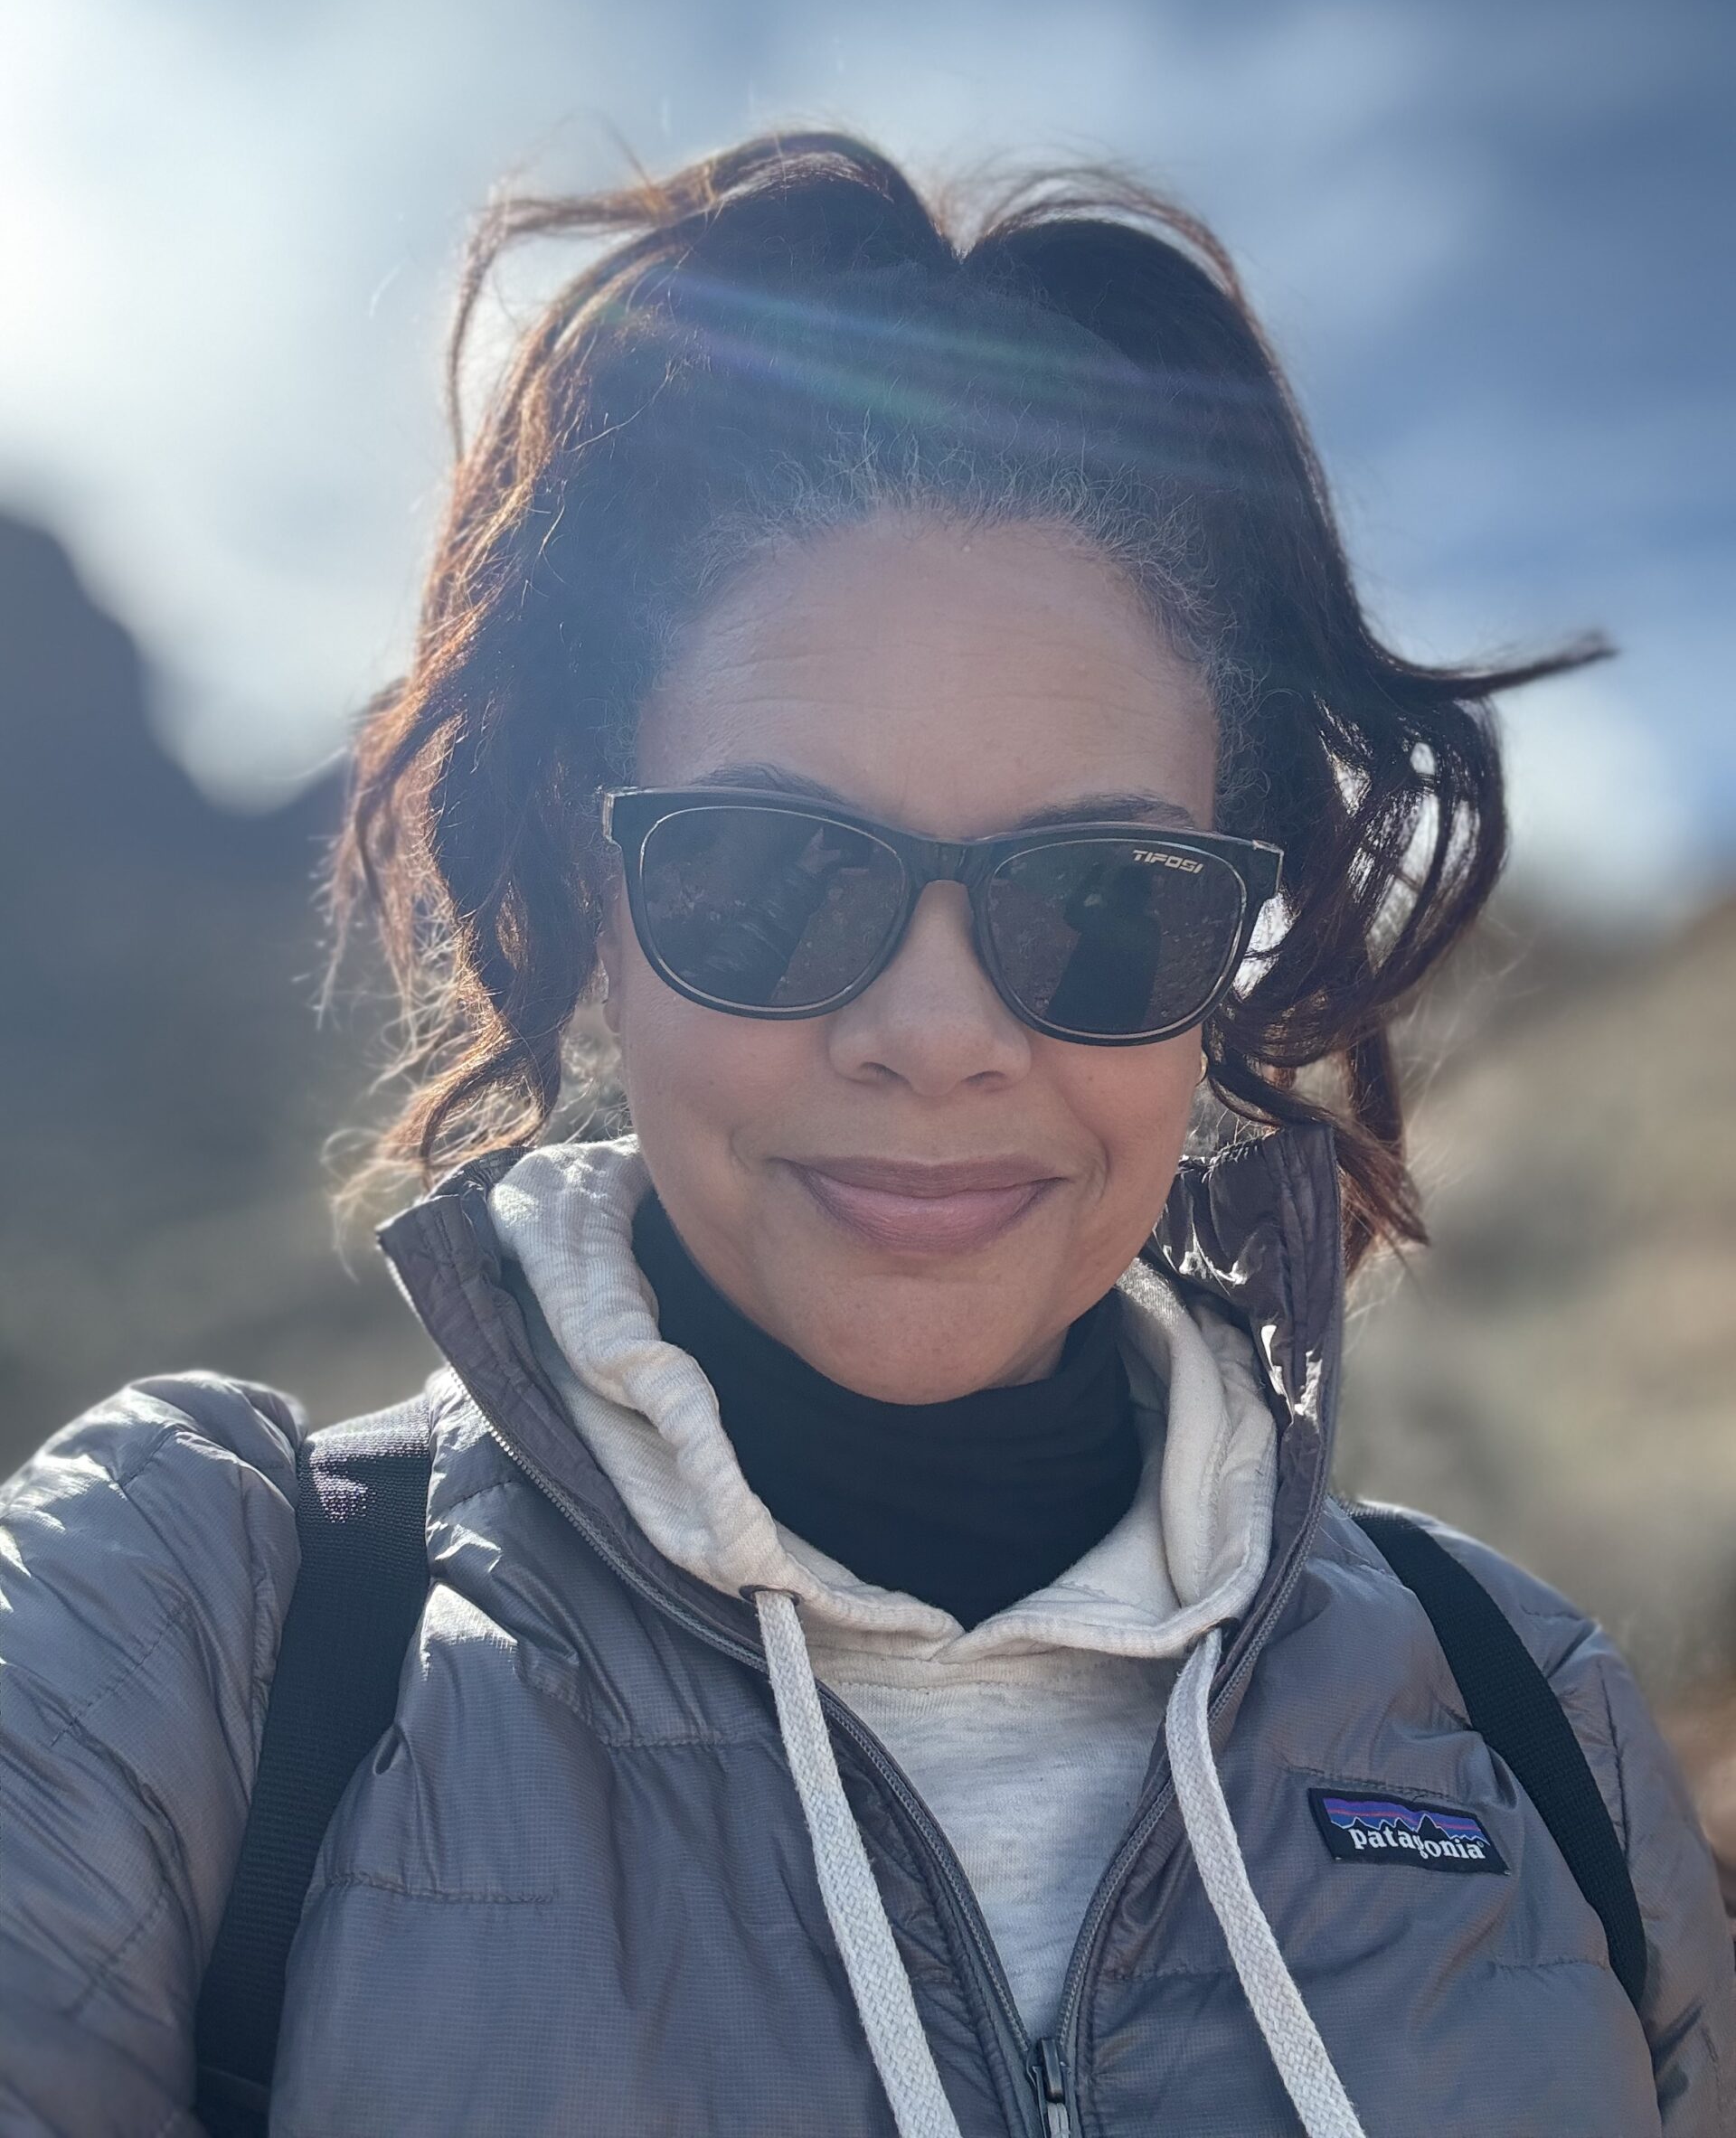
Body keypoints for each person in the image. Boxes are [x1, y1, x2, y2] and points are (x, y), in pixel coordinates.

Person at [1, 132, 1730, 2138]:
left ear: (1224, 955)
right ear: (598, 894)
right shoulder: (191, 1637)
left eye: (1098, 901)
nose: (934, 1032)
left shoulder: (1534, 1719)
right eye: (771, 873)